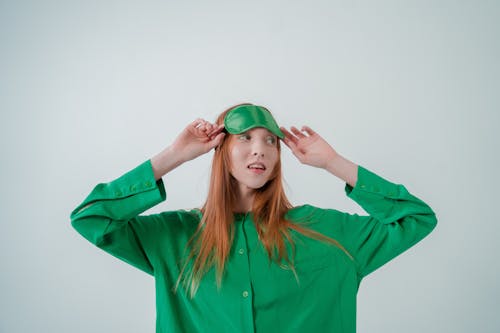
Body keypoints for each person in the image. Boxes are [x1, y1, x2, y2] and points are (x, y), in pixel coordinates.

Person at [71, 103, 437, 333]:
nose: (259, 148)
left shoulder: (325, 233)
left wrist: (333, 163)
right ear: (221, 150)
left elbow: (415, 218)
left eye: (270, 141)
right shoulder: (175, 237)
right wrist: (173, 156)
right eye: (244, 137)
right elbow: (91, 218)